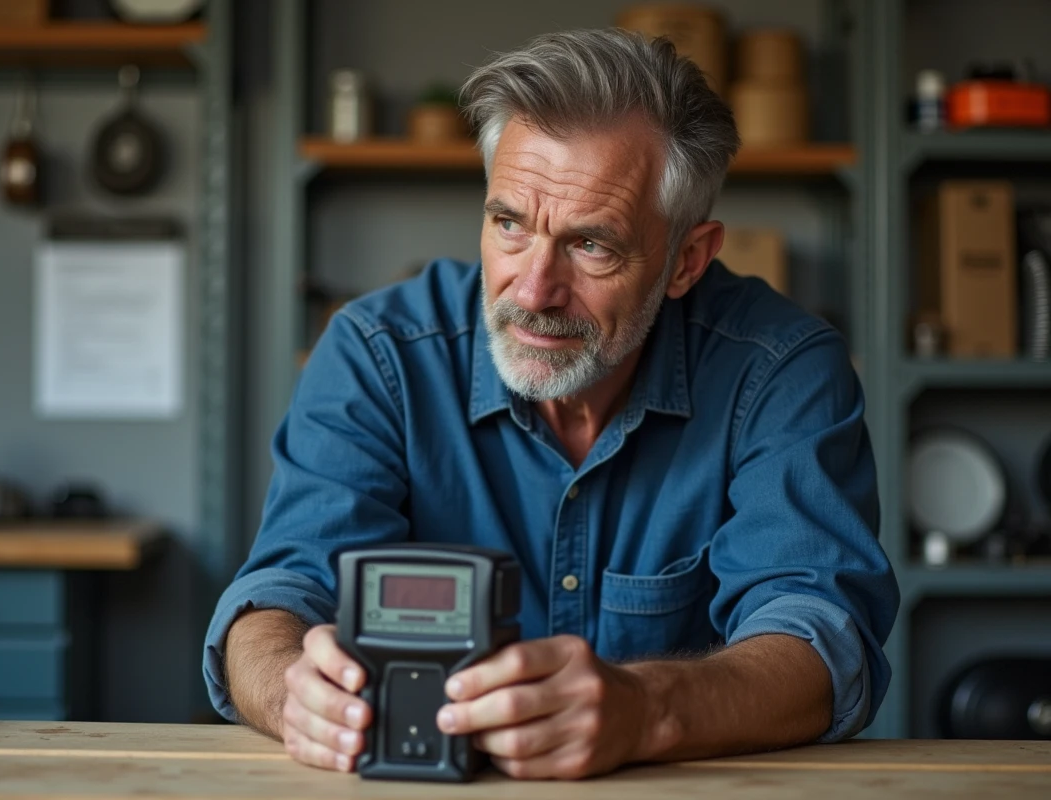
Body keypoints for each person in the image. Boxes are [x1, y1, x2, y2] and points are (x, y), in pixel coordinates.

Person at [204, 28, 898, 780]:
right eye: (509, 224)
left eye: (591, 245)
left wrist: (647, 710)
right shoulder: (378, 353)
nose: (533, 292)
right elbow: (281, 594)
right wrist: (291, 692)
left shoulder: (780, 370)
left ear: (686, 261)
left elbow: (820, 638)